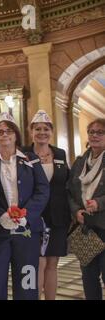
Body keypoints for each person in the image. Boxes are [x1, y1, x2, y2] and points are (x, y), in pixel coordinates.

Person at [0, 112, 49, 300]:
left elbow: (42, 190)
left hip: (26, 232)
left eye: (8, 131)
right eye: (0, 132)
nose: (4, 135)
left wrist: (26, 215)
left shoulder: (30, 159)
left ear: (16, 134)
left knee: (27, 283)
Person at [22, 110, 70, 300]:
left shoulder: (60, 153)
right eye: (38, 129)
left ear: (51, 131)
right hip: (33, 217)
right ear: (31, 131)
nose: (42, 132)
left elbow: (66, 182)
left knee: (52, 263)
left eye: (46, 129)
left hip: (57, 216)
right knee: (37, 262)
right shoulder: (24, 154)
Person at [67, 118, 105, 300]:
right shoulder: (80, 162)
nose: (95, 136)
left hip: (104, 226)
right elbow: (69, 191)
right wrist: (76, 211)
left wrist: (99, 203)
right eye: (92, 132)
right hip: (86, 228)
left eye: (100, 132)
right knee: (88, 278)